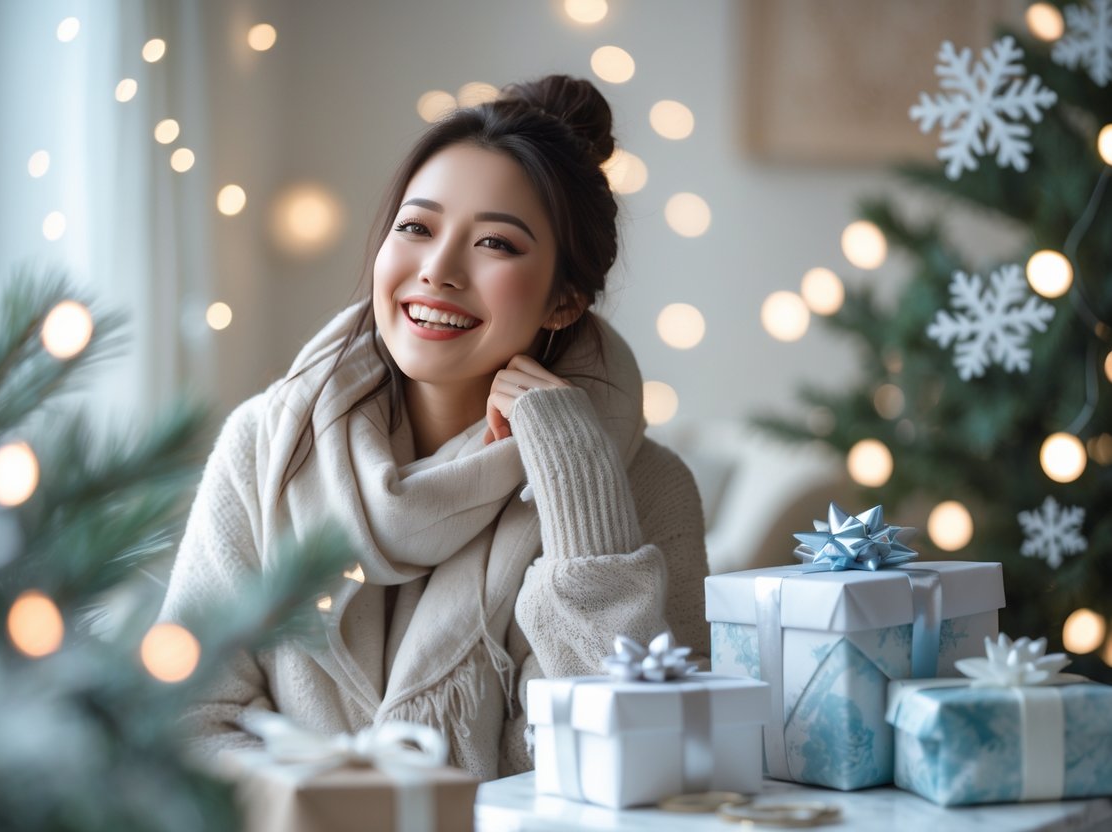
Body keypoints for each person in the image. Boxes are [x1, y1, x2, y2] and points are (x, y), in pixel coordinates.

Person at [159, 74, 708, 781]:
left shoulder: (646, 487)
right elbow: (187, 722)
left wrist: (580, 494)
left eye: (496, 245)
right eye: (415, 228)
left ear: (563, 302)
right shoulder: (269, 445)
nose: (438, 270)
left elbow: (640, 762)